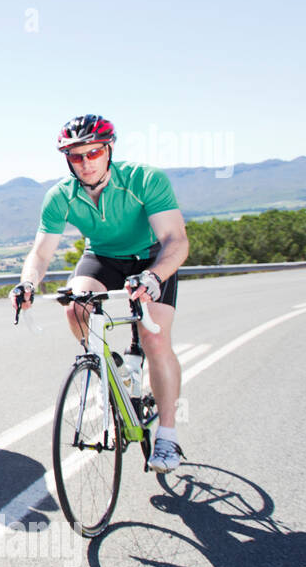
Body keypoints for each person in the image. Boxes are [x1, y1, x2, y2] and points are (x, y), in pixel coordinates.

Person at [12, 114, 189, 472]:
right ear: (67, 160)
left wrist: (154, 278)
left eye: (94, 153)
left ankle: (167, 436)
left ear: (108, 150)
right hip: (103, 257)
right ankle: (117, 368)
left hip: (152, 257)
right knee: (74, 308)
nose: (86, 163)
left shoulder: (143, 179)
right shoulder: (61, 195)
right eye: (77, 157)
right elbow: (42, 252)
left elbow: (176, 240)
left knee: (155, 340)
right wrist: (28, 283)